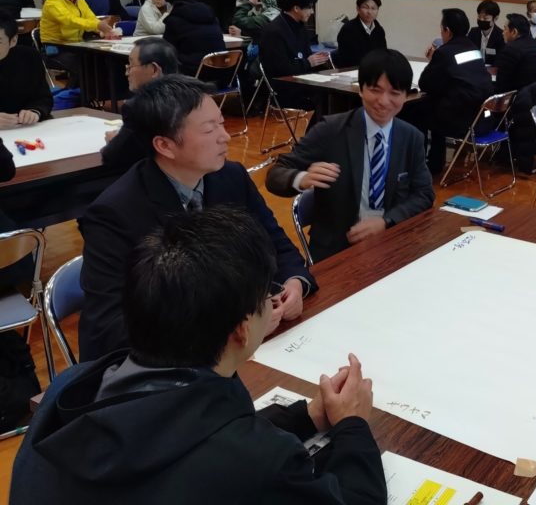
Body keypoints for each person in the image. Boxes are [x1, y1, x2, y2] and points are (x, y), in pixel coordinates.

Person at [12, 207, 386, 504]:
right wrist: (352, 424)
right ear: (241, 329)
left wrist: (308, 415)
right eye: (266, 296)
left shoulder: (70, 388)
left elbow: (180, 431)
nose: (273, 302)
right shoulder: (253, 463)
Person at [78, 75, 316, 361]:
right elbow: (110, 328)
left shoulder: (231, 177)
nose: (225, 136)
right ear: (165, 145)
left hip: (248, 349)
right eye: (209, 129)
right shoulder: (115, 214)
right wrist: (226, 331)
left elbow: (275, 243)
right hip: (169, 365)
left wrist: (294, 283)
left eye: (221, 123)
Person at [266, 50, 434, 262]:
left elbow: (424, 195)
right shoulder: (330, 131)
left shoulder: (411, 138)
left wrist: (386, 221)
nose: (383, 101)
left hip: (390, 243)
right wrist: (301, 178)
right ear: (360, 89)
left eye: (394, 93)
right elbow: (274, 175)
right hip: (336, 251)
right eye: (375, 90)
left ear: (407, 95)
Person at [415, 8, 494, 173]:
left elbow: (425, 83)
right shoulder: (472, 47)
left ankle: (428, 164)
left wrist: (433, 61)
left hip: (461, 119)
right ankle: (435, 162)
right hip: (481, 115)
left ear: (447, 30)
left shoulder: (444, 52)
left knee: (419, 109)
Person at [100, 37, 180, 169]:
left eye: (131, 66)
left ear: (154, 69)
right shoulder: (196, 95)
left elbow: (112, 156)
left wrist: (114, 141)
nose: (127, 72)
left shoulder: (138, 107)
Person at [40, 0, 114, 88]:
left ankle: (93, 95)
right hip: (56, 50)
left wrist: (101, 30)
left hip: (76, 46)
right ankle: (75, 95)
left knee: (100, 60)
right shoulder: (52, 2)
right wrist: (97, 25)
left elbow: (90, 18)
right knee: (83, 66)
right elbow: (69, 20)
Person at [260, 0, 332, 110]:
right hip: (283, 83)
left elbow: (306, 55)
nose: (312, 12)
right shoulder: (274, 31)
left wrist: (320, 60)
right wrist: (308, 62)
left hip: (301, 76)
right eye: (309, 7)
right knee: (322, 93)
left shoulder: (300, 26)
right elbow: (280, 68)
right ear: (296, 8)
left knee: (330, 86)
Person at [0, 14, 53, 130]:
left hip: (24, 129)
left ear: (13, 40)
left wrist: (35, 111)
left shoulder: (29, 58)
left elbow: (43, 97)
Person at [162, 0, 226, 77]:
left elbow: (167, 49)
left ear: (170, 3)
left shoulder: (174, 20)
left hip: (193, 73)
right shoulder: (210, 14)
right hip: (221, 70)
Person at [494, 12, 536, 93]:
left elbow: (501, 83)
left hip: (523, 95)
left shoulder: (511, 49)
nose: (503, 32)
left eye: (505, 29)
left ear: (514, 32)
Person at [335, 0, 387, 67]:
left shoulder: (379, 30)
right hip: (352, 70)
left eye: (373, 8)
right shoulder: (348, 29)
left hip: (374, 69)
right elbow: (346, 58)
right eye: (365, 7)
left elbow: (383, 54)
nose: (369, 12)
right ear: (358, 9)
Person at [466, 0, 504, 64]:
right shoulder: (473, 32)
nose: (481, 20)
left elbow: (500, 60)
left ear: (495, 18)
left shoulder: (501, 35)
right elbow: (468, 53)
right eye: (479, 17)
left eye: (485, 18)